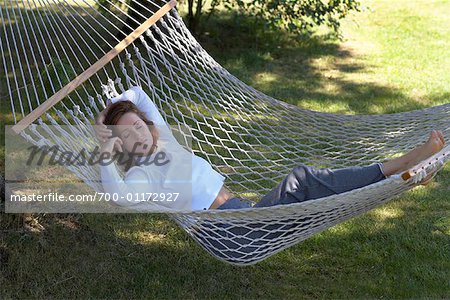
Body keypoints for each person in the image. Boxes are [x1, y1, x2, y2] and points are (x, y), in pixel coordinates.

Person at [95, 86, 445, 212]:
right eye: (127, 137)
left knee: (313, 190)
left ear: (148, 125)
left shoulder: (165, 139)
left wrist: (117, 104)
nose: (138, 135)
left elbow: (139, 94)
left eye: (138, 126)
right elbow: (121, 197)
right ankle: (403, 166)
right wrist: (104, 144)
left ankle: (404, 176)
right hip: (230, 232)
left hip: (242, 213)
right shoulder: (141, 173)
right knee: (303, 181)